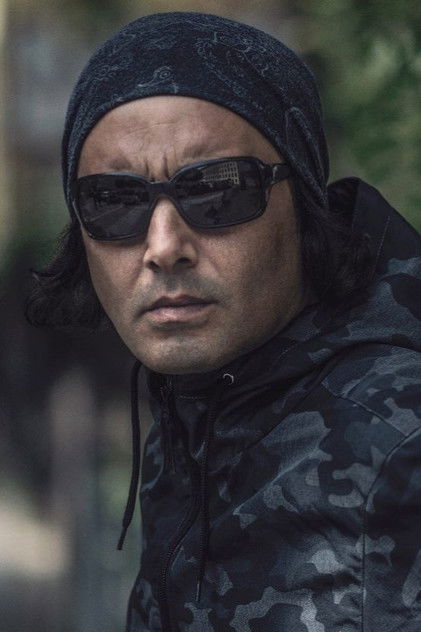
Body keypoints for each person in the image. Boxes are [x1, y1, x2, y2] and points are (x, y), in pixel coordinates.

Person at [26, 11, 421, 632]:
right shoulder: (198, 408)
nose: (163, 246)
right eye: (114, 201)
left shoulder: (400, 449)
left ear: (303, 202)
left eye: (217, 189)